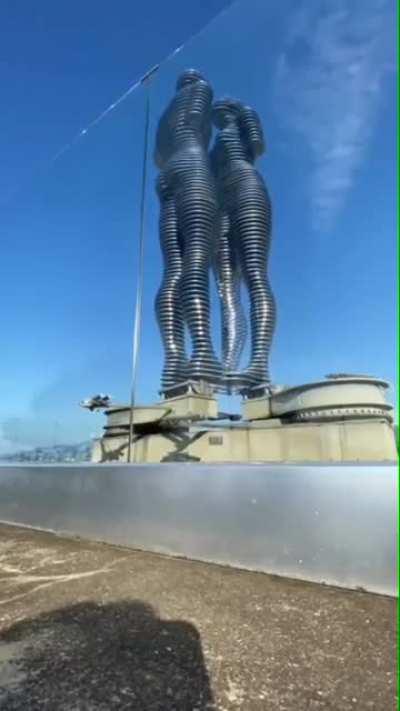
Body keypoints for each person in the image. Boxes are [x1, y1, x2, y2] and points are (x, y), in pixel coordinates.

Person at [154, 69, 221, 390]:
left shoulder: (164, 112)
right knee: (197, 256)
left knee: (172, 270)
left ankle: (173, 360)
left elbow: (156, 156)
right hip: (193, 162)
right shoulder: (201, 91)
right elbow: (196, 117)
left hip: (166, 176)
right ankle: (203, 352)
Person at [210, 98, 276, 389]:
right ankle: (227, 365)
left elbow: (258, 146)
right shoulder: (213, 146)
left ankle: (259, 363)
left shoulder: (244, 119)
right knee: (225, 290)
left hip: (247, 187)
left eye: (222, 109)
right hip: (218, 205)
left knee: (254, 276)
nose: (217, 114)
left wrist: (247, 116)